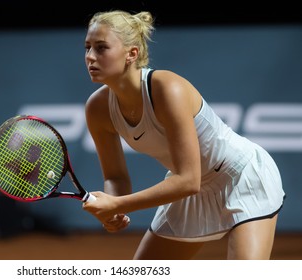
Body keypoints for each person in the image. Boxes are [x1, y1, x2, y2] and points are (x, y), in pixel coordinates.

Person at [81, 10, 286, 260]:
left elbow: (188, 179)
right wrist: (111, 204)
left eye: (101, 48)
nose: (90, 57)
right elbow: (115, 176)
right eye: (88, 47)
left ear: (131, 54)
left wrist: (118, 204)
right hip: (192, 191)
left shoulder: (167, 89)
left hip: (242, 177)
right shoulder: (97, 109)